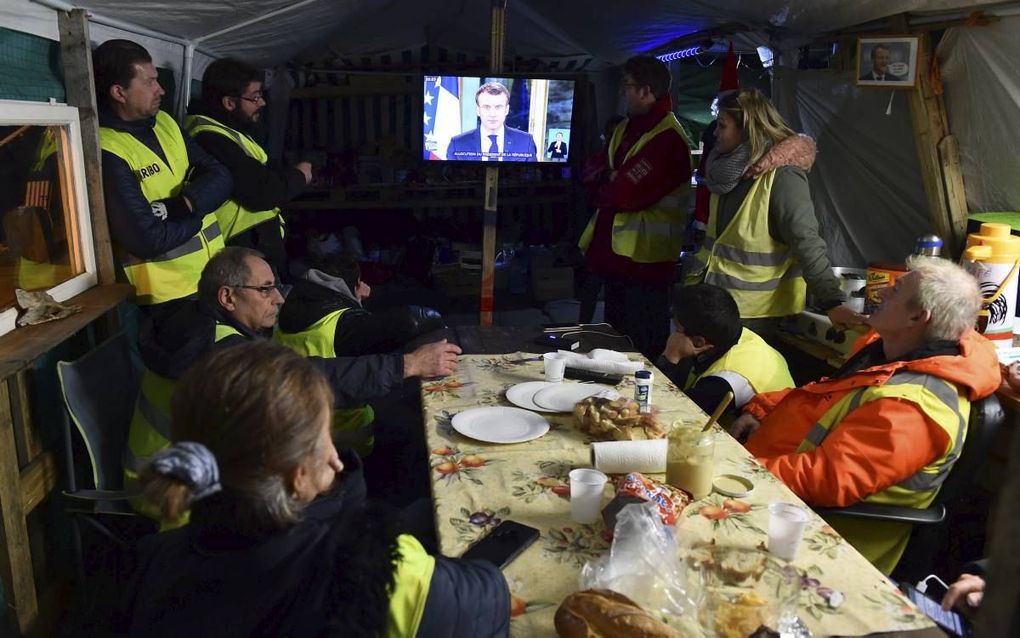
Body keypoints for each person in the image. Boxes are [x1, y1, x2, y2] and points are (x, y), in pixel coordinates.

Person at [120, 341, 509, 635]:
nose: (337, 461)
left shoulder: (156, 558)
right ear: (297, 475)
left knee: (424, 511)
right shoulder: (372, 569)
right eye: (324, 439)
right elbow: (489, 601)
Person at [125, 247, 460, 521]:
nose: (279, 299)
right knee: (343, 501)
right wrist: (410, 364)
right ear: (227, 297)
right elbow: (310, 379)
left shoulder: (193, 323)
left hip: (170, 476)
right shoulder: (223, 354)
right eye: (265, 289)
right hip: (185, 501)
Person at [732, 257, 999, 574]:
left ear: (917, 317)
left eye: (896, 289)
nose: (882, 291)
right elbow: (826, 393)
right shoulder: (892, 349)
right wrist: (763, 409)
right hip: (778, 486)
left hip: (818, 537)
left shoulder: (913, 408)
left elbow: (828, 479)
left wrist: (740, 472)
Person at [686, 88, 865, 339]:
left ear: (747, 129)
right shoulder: (729, 173)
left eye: (722, 126)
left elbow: (806, 240)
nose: (715, 134)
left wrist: (831, 301)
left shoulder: (783, 178)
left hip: (754, 315)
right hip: (716, 303)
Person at [94, 39, 232, 312]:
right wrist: (201, 211)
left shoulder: (166, 123)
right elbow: (148, 239)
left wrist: (184, 205)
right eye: (149, 82)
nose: (161, 90)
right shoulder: (106, 148)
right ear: (119, 92)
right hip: (168, 300)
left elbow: (222, 176)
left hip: (213, 279)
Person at [577, 56, 692, 359]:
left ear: (646, 91)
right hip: (616, 261)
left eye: (627, 86)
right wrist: (607, 178)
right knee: (615, 342)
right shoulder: (626, 129)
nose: (622, 93)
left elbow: (623, 194)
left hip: (647, 265)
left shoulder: (667, 139)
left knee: (641, 347)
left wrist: (608, 180)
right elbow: (589, 172)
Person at [185, 58, 312, 280]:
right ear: (229, 103)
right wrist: (300, 175)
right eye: (255, 96)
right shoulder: (209, 137)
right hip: (242, 251)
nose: (262, 102)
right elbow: (262, 192)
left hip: (254, 247)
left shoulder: (229, 130)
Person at [656, 284, 794, 422]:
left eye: (677, 328)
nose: (673, 332)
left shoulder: (723, 382)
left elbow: (667, 413)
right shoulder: (734, 333)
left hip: (753, 440)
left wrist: (670, 356)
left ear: (699, 342)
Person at [277, 253, 445, 357]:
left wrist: (356, 297)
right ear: (353, 286)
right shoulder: (343, 325)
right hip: (336, 413)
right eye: (359, 282)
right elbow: (413, 319)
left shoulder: (290, 303)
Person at [446, 82, 537, 162]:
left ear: (506, 110)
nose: (492, 114)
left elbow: (532, 178)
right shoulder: (457, 144)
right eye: (486, 107)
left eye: (498, 107)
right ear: (478, 110)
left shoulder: (526, 142)